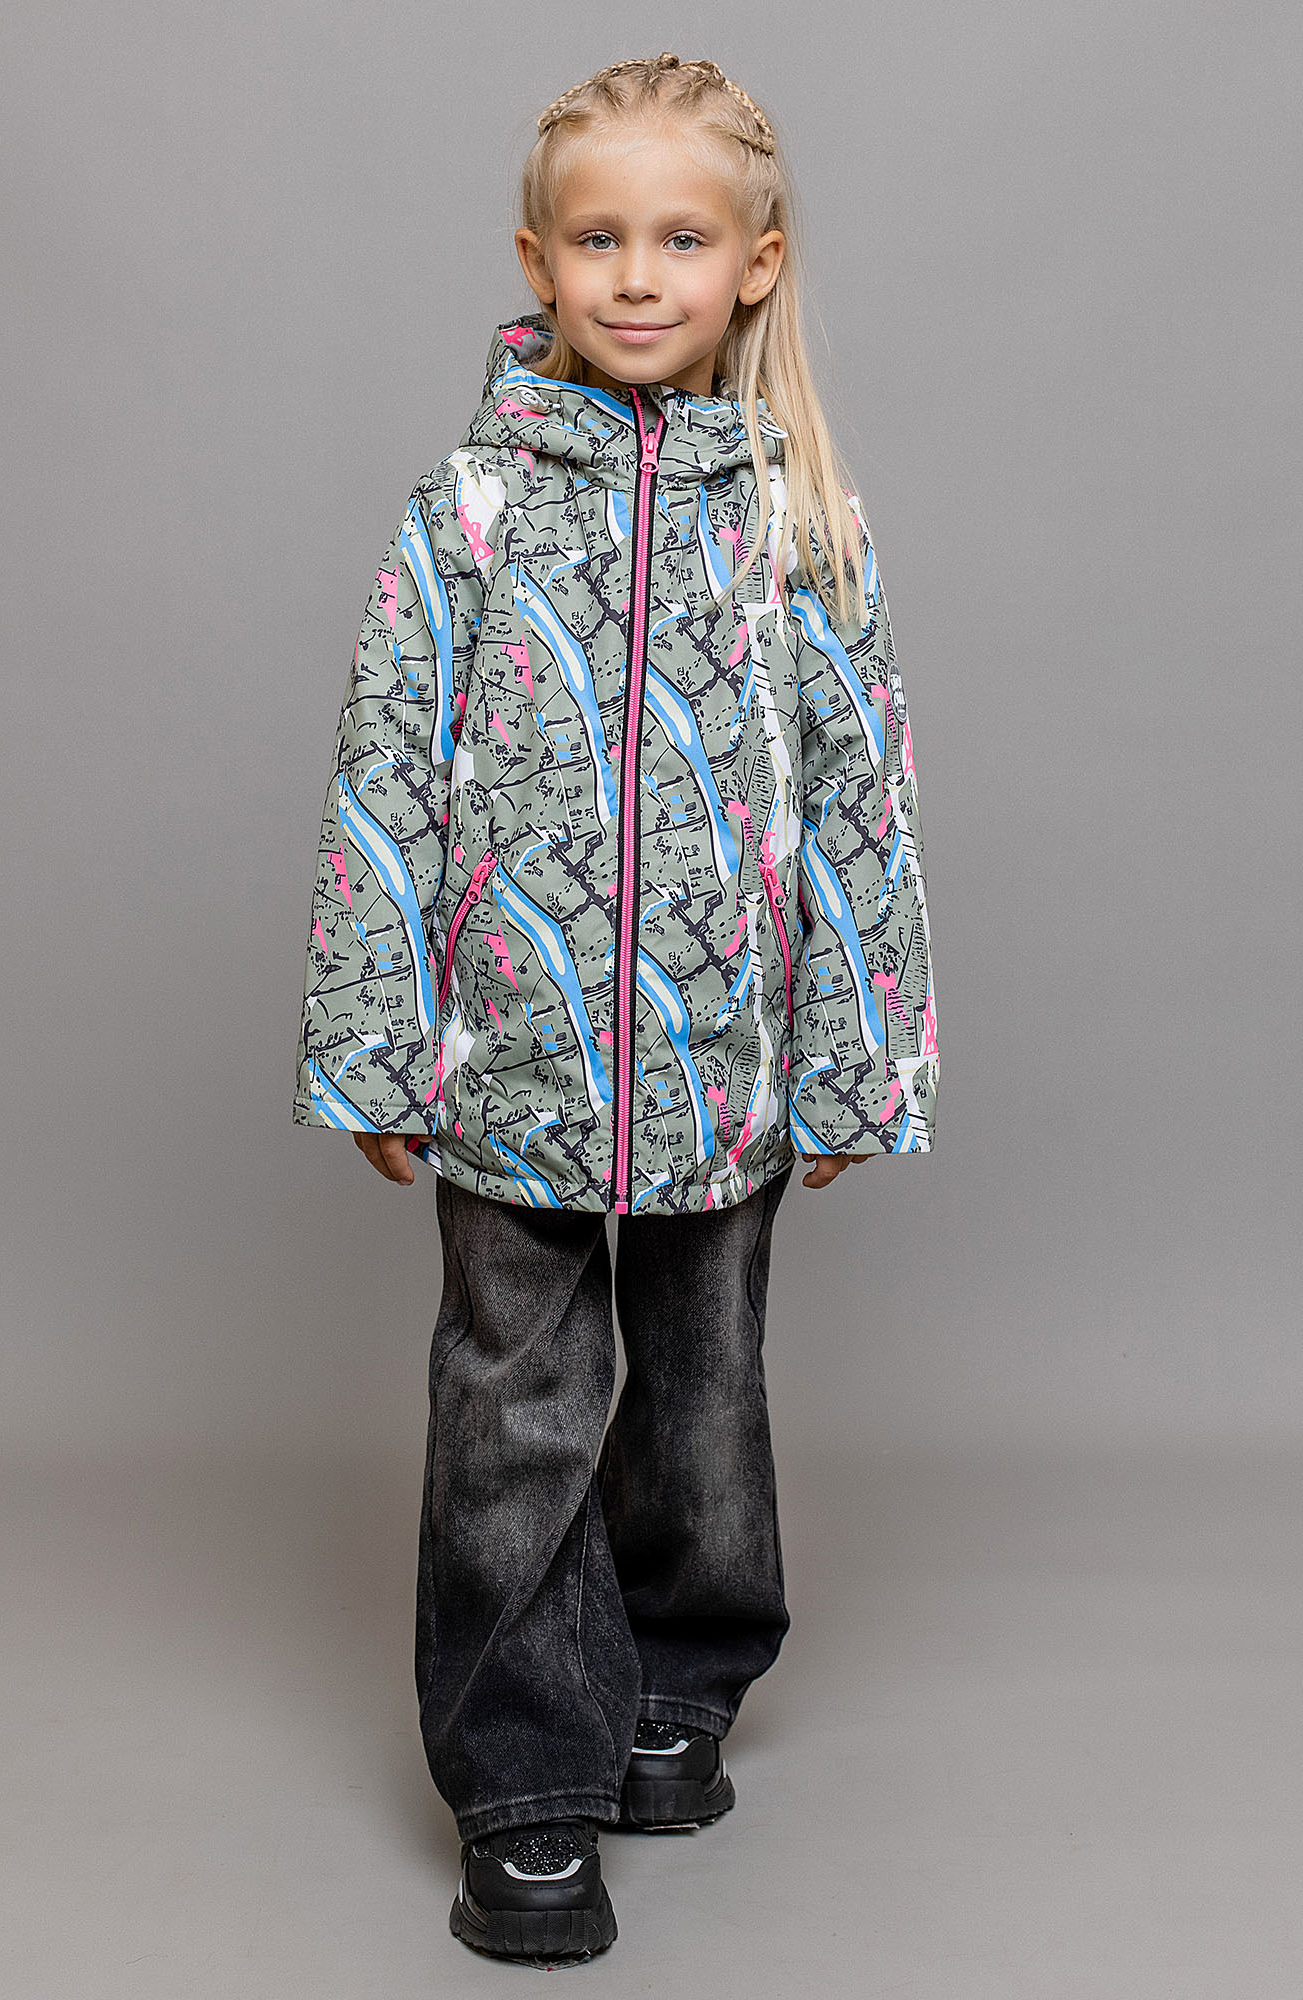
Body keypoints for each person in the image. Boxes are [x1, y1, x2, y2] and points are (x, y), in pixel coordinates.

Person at [292, 51, 938, 1967]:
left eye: (679, 239)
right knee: (513, 1414)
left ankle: (683, 1676)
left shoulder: (804, 520)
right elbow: (385, 774)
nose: (637, 275)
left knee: (702, 1409)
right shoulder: (470, 509)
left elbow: (861, 797)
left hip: (722, 1071)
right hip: (511, 1065)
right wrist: (373, 1040)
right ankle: (525, 1784)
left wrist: (856, 1060)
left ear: (755, 262)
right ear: (536, 260)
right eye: (597, 239)